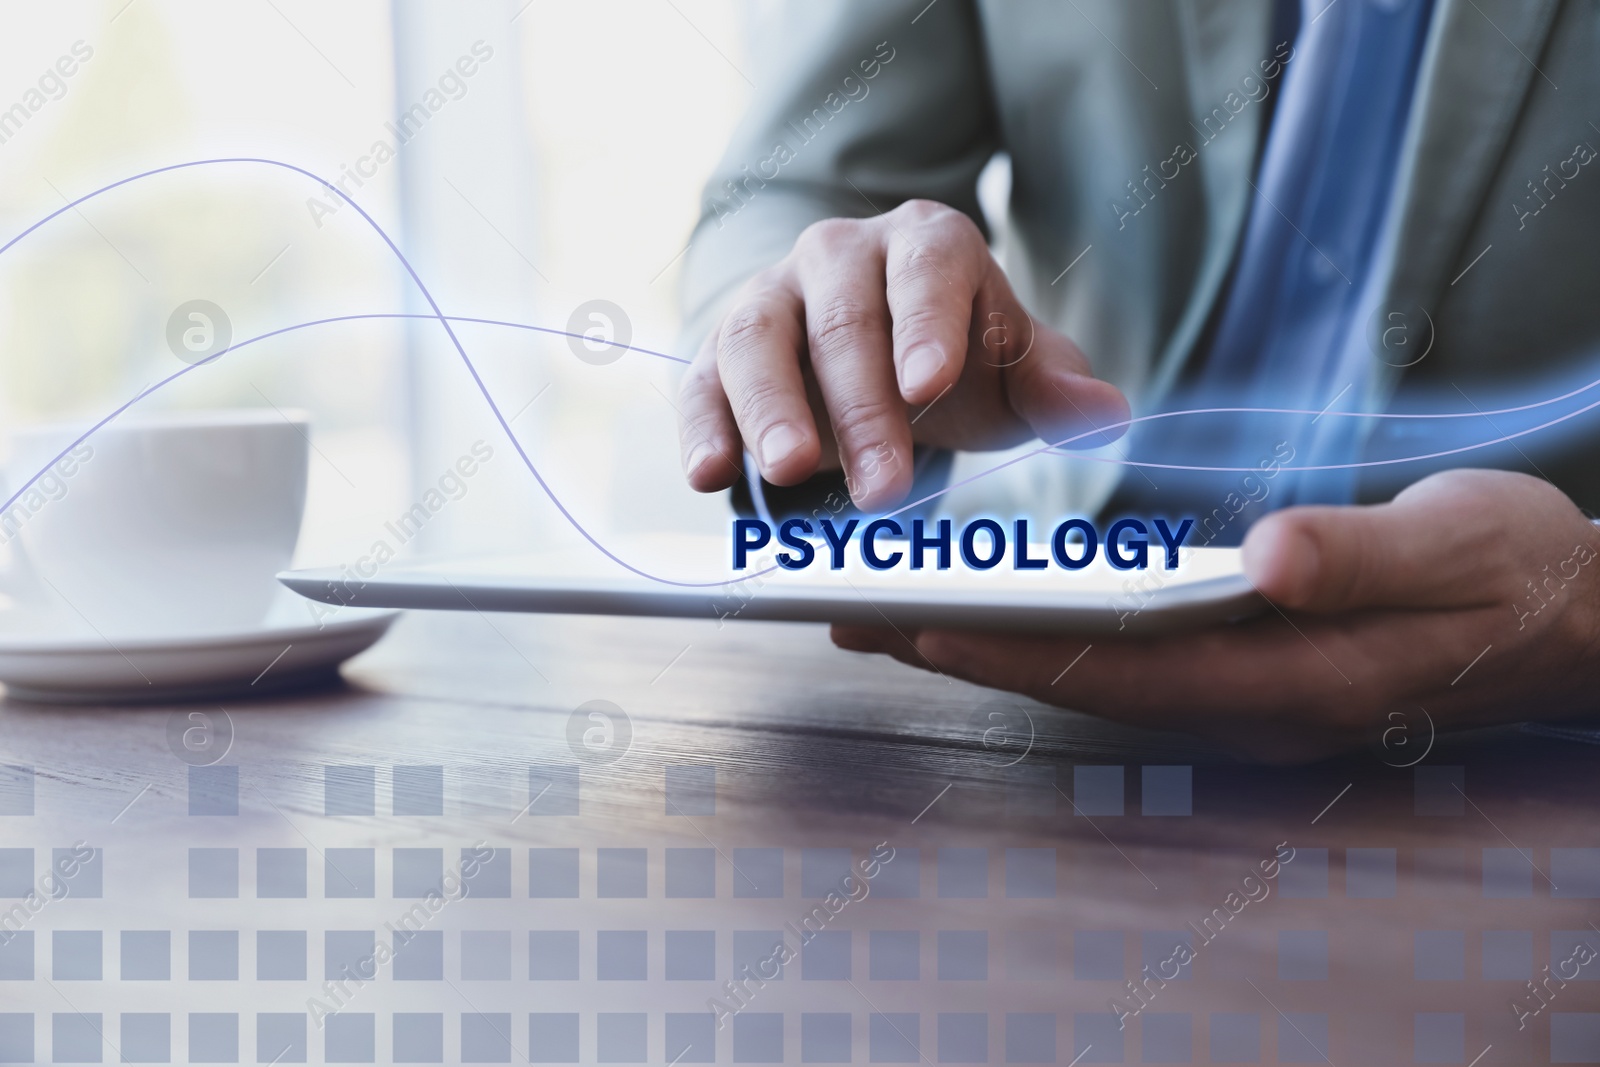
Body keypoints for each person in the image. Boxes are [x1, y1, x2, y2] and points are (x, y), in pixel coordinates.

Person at [672, 0, 1600, 761]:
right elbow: (789, 191)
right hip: (1031, 716)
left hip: (1531, 754)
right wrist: (832, 325)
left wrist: (1587, 604)